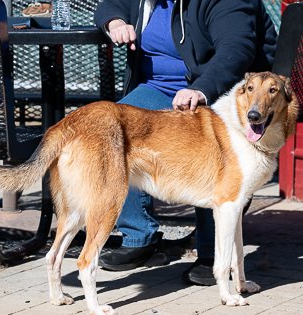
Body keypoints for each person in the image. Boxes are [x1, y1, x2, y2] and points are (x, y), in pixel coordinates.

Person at [94, 0, 277, 285]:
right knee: (113, 133)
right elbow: (111, 4)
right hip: (156, 88)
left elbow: (236, 49)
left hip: (216, 90)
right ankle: (139, 236)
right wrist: (115, 22)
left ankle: (212, 253)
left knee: (208, 158)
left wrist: (201, 90)